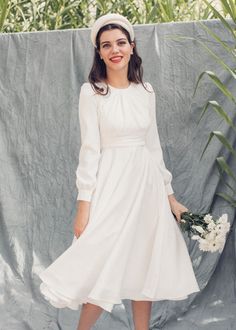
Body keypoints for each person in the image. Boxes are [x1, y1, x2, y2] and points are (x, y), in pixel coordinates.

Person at [38, 13, 200, 330]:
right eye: (107, 45)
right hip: (112, 187)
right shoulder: (93, 93)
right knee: (104, 264)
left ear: (131, 47)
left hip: (147, 187)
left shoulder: (146, 92)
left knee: (143, 263)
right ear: (99, 52)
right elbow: (90, 151)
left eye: (121, 43)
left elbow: (153, 146)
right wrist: (84, 206)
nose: (115, 50)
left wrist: (171, 198)